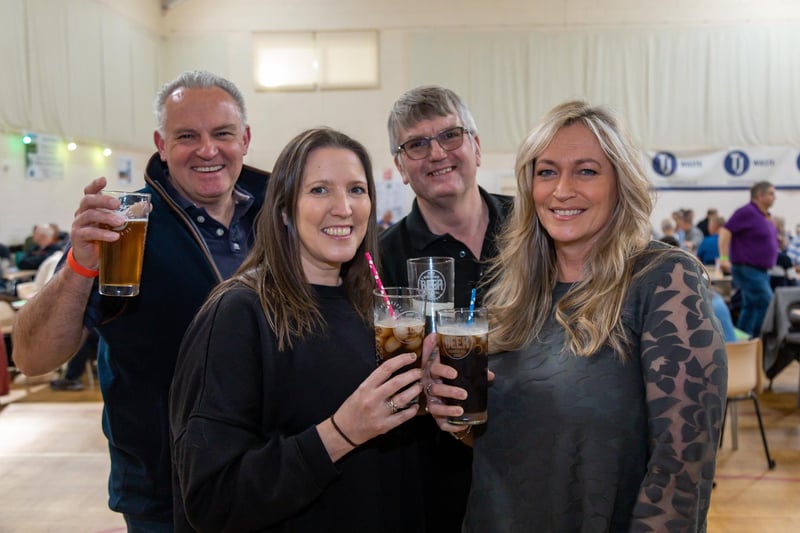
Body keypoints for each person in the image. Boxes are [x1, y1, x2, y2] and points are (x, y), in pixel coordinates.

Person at [426, 100, 727, 531]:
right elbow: (506, 437)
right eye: (546, 171)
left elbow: (681, 471)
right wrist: (452, 415)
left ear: (620, 183)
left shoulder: (664, 281)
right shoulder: (510, 294)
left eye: (586, 171)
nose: (562, 189)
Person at [11, 70, 269, 531]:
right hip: (164, 490)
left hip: (276, 473)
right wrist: (80, 263)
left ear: (245, 138)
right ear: (161, 143)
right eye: (187, 135)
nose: (208, 150)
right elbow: (31, 358)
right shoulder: (123, 227)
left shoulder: (284, 216)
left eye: (222, 134)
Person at [170, 127, 425, 531]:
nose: (344, 208)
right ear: (285, 210)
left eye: (357, 190)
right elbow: (211, 498)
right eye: (320, 190)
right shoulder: (239, 314)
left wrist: (442, 411)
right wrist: (341, 432)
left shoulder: (374, 311)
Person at [378, 85, 513, 532]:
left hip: (536, 472)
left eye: (450, 136)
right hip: (432, 492)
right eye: (416, 144)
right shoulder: (378, 262)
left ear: (476, 146)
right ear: (400, 166)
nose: (436, 153)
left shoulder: (533, 230)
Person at [718, 181, 779, 338]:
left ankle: (742, 340)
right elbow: (725, 232)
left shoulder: (765, 216)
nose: (775, 197)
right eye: (771, 194)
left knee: (751, 307)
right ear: (759, 195)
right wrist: (724, 257)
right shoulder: (746, 212)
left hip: (761, 270)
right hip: (748, 269)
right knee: (767, 303)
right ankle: (759, 340)